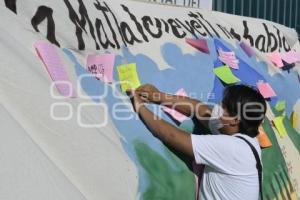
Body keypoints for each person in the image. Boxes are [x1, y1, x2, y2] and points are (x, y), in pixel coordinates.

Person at [126, 84, 266, 200]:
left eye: (224, 106)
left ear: (235, 120)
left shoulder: (232, 148)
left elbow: (170, 135)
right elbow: (200, 109)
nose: (218, 106)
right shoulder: (243, 136)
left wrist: (140, 107)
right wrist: (159, 96)